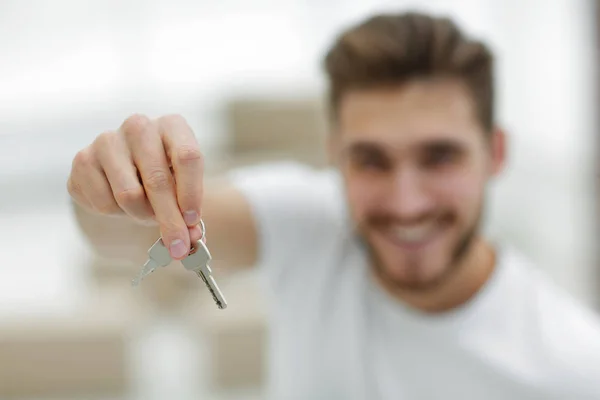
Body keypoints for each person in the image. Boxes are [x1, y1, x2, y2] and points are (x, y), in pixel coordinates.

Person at [67, 11, 600, 400]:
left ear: (495, 154)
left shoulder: (575, 370)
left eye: (439, 157)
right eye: (370, 160)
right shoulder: (314, 222)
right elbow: (119, 234)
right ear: (334, 158)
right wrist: (110, 192)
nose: (406, 204)